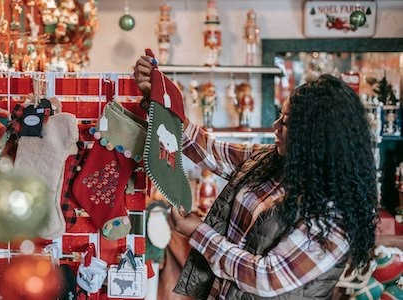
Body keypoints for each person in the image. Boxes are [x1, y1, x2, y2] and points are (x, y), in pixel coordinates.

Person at [134, 55, 378, 299]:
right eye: (280, 116)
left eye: (287, 122)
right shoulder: (271, 161)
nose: (275, 125)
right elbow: (208, 149)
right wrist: (160, 98)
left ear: (317, 137)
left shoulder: (334, 217)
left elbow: (267, 277)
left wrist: (199, 233)